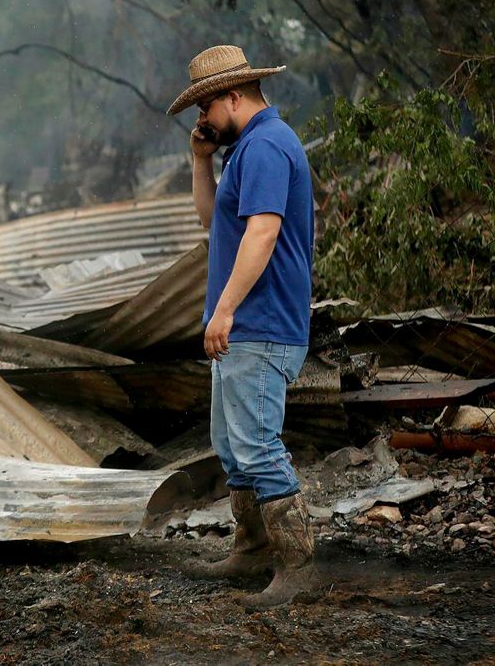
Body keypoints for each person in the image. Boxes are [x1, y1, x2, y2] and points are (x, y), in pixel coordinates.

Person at [166, 44, 317, 607]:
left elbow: (262, 234)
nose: (202, 119)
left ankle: (298, 569)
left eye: (205, 106)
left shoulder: (269, 146)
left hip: (262, 321)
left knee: (256, 445)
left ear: (234, 95)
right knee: (232, 447)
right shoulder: (245, 149)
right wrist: (201, 161)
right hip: (243, 325)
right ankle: (251, 549)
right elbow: (216, 223)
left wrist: (224, 309)